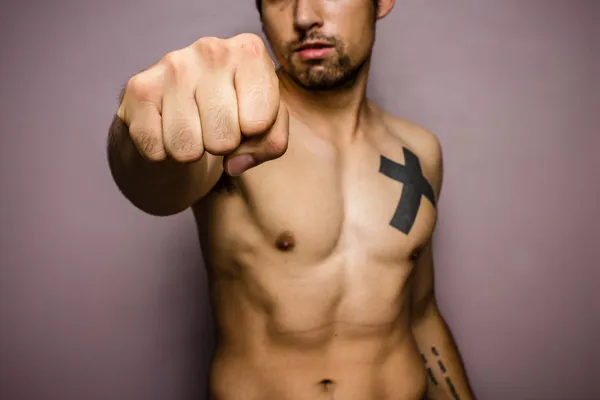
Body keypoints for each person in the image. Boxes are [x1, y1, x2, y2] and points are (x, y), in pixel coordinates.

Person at [107, 0, 474, 398]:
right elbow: (152, 184)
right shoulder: (236, 132)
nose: (303, 17)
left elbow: (420, 315)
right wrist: (146, 125)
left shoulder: (418, 153)